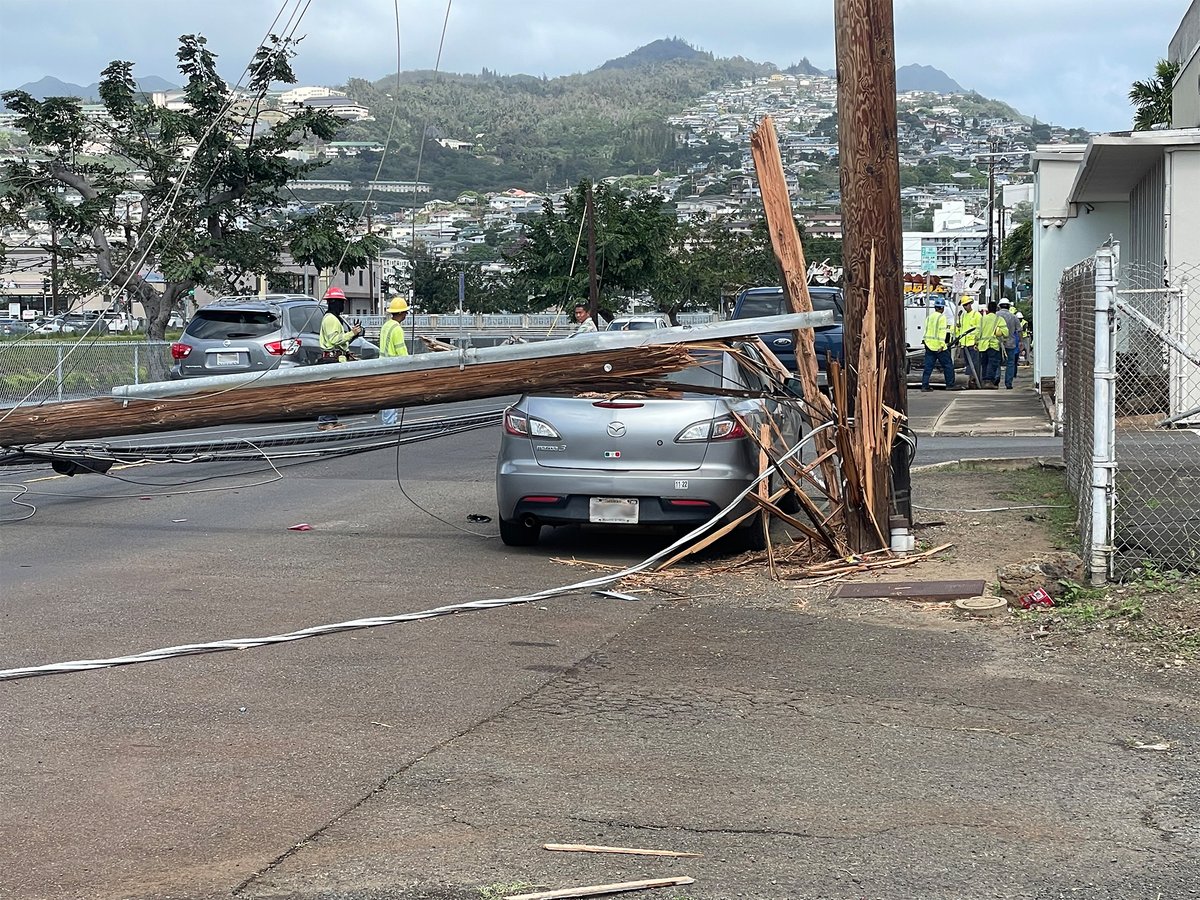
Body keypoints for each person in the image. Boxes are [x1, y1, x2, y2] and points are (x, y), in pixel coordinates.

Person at [317, 286, 363, 431]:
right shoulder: (330, 319)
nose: (343, 305)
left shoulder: (335, 318)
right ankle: (325, 421)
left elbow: (340, 343)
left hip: (336, 358)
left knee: (334, 391)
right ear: (335, 302)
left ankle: (332, 420)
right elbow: (335, 340)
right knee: (330, 391)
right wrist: (351, 333)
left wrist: (350, 345)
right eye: (341, 302)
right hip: (331, 359)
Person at [378, 296, 410, 426]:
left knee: (387, 396)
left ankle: (388, 422)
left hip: (383, 365)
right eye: (405, 312)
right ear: (401, 313)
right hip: (393, 367)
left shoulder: (386, 325)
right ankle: (390, 424)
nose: (406, 314)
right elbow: (401, 352)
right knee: (394, 396)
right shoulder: (397, 329)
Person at [920, 297, 955, 392]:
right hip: (938, 347)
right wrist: (942, 345)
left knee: (928, 367)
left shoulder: (929, 317)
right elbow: (941, 333)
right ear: (942, 308)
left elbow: (926, 330)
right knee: (948, 365)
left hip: (928, 344)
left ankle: (924, 385)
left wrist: (926, 342)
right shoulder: (942, 318)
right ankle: (950, 385)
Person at [977, 301, 1010, 389]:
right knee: (992, 363)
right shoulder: (999, 319)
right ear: (996, 309)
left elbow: (977, 332)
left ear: (988, 309)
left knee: (984, 363)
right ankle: (989, 381)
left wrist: (976, 342)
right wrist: (999, 331)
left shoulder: (982, 319)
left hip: (982, 345)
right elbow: (1006, 332)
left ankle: (984, 381)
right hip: (993, 345)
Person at [954, 295, 983, 389]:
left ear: (970, 304)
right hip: (964, 344)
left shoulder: (976, 315)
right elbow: (962, 329)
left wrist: (977, 342)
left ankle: (973, 381)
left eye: (966, 304)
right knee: (968, 364)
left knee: (974, 364)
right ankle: (971, 381)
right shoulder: (963, 315)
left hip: (972, 344)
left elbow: (979, 329)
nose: (965, 306)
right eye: (964, 305)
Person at [997, 299, 1022, 389]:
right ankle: (1008, 383)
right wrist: (1020, 342)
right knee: (1010, 363)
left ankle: (996, 380)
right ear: (1009, 306)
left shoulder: (996, 316)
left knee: (997, 362)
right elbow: (1019, 330)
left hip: (997, 343)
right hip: (1011, 343)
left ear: (999, 306)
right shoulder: (1014, 317)